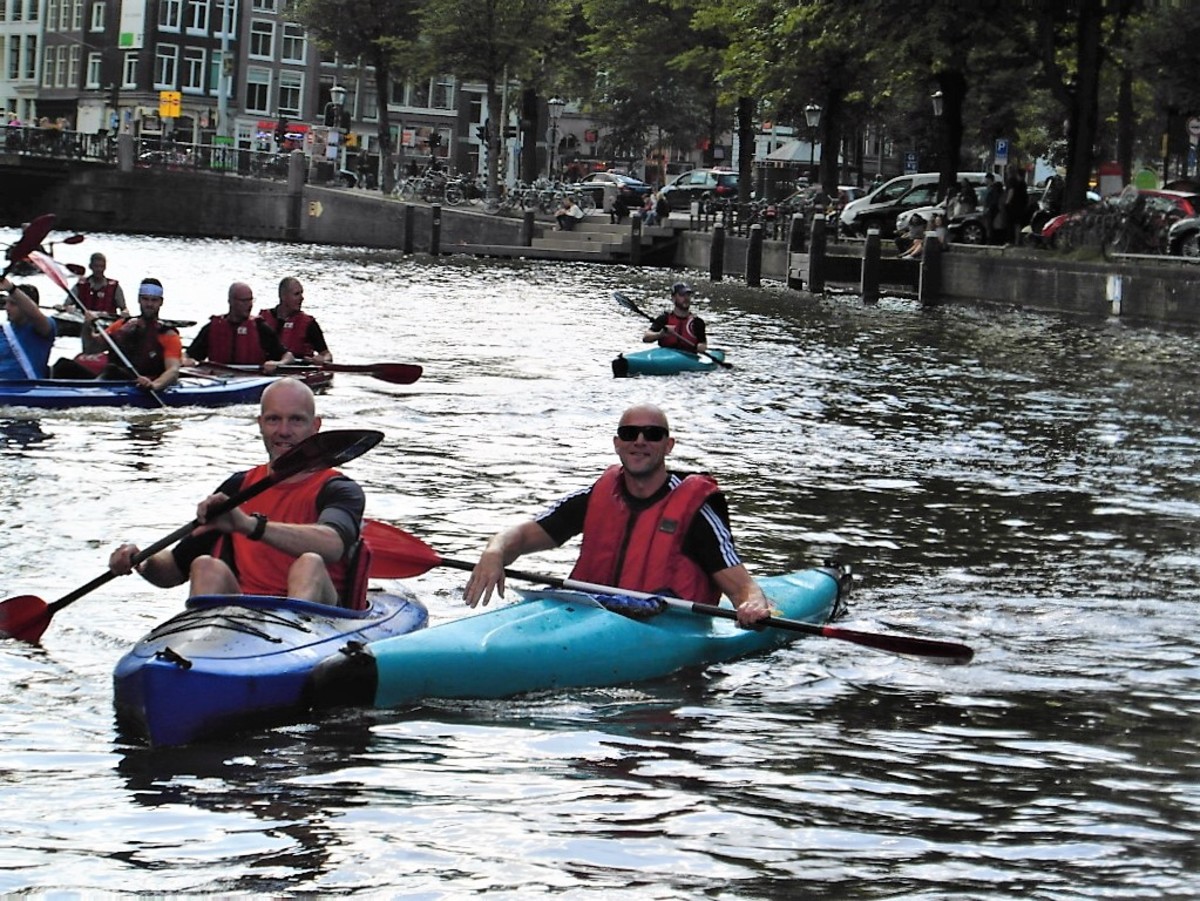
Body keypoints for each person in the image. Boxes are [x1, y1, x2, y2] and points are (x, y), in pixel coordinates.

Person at [463, 403, 774, 626]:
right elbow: (522, 536)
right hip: (588, 616)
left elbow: (741, 586)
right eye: (629, 433)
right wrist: (494, 551)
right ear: (617, 444)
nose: (639, 441)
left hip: (664, 626)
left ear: (668, 446)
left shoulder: (696, 512)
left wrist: (753, 605)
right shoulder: (595, 496)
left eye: (652, 434)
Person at [107, 378, 369, 607]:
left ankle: (290, 634)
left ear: (315, 426)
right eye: (273, 419)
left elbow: (333, 546)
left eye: (296, 420)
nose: (284, 431)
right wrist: (141, 561)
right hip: (245, 623)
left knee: (308, 564)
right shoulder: (238, 487)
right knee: (205, 566)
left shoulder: (339, 489)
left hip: (319, 618)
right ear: (260, 424)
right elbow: (174, 570)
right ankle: (206, 642)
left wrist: (248, 525)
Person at [185, 281, 295, 373]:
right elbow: (188, 355)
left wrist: (278, 363)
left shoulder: (261, 328)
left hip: (251, 378)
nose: (249, 305)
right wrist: (187, 360)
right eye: (244, 301)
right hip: (218, 378)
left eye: (250, 300)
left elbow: (288, 356)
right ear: (231, 301)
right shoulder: (212, 328)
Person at [260, 277, 332, 364]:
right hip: (267, 367)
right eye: (296, 294)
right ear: (283, 296)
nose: (302, 298)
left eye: (301, 293)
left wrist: (323, 360)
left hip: (298, 368)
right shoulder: (262, 319)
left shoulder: (309, 324)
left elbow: (327, 354)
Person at [0, 278, 55, 379]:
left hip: (28, 386)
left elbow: (34, 314)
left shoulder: (43, 327)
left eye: (13, 304)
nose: (6, 308)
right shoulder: (2, 330)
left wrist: (11, 289)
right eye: (5, 303)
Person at [643, 282, 706, 353]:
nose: (686, 298)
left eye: (688, 295)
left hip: (688, 356)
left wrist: (701, 347)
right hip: (665, 355)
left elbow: (703, 343)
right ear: (673, 298)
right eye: (682, 295)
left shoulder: (697, 322)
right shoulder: (664, 319)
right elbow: (646, 337)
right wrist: (660, 334)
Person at [72, 252, 128, 318]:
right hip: (83, 320)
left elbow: (124, 308)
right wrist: (69, 308)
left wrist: (125, 313)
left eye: (102, 266)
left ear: (105, 267)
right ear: (90, 266)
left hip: (107, 322)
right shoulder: (81, 285)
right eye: (96, 266)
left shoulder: (114, 287)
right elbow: (66, 305)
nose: (99, 269)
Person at [982, 173, 1003, 245]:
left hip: (991, 209)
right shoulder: (989, 188)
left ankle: (991, 240)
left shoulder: (993, 189)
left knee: (990, 225)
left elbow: (994, 199)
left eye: (986, 179)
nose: (985, 180)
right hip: (989, 208)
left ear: (989, 179)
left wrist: (989, 208)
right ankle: (990, 239)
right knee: (988, 225)